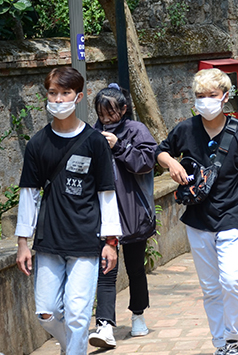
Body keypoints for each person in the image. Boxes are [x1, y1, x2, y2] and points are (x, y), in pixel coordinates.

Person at [155, 68, 238, 355]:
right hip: (197, 220)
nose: (205, 101)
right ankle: (222, 344)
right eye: (199, 96)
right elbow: (160, 150)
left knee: (232, 280)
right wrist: (172, 164)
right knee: (211, 287)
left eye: (211, 96)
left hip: (230, 217)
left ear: (225, 97)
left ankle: (233, 334)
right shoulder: (186, 129)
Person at [15, 67, 122, 355]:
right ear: (46, 95)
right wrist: (22, 242)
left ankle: (74, 350)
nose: (59, 99)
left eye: (65, 93)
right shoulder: (38, 143)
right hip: (49, 239)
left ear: (78, 97)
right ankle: (70, 345)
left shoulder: (95, 142)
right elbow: (29, 193)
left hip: (86, 239)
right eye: (53, 93)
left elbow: (107, 194)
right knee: (46, 312)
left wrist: (111, 242)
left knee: (77, 314)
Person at [88, 84, 159, 349]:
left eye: (110, 112)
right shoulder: (92, 134)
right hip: (104, 218)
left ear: (124, 109)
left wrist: (119, 146)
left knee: (135, 269)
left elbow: (146, 162)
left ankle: (138, 314)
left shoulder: (136, 130)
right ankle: (105, 324)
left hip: (133, 215)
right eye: (101, 113)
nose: (105, 118)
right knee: (106, 271)